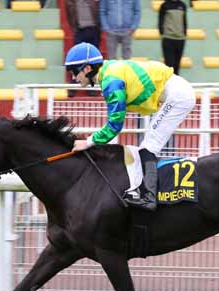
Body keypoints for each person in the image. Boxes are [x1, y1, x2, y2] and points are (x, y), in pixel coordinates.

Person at [66, 42, 196, 211]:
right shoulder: (108, 72)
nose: (73, 77)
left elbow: (115, 126)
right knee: (146, 148)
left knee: (148, 147)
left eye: (74, 71)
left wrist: (88, 142)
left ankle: (149, 197)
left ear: (88, 68)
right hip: (175, 91)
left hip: (178, 96)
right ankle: (145, 191)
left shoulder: (111, 82)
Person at [159, 0, 188, 75]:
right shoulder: (165, 5)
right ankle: (169, 84)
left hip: (180, 39)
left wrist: (184, 33)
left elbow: (184, 21)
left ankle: (175, 84)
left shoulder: (182, 5)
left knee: (177, 65)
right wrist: (162, 32)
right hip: (168, 38)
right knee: (169, 64)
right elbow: (160, 20)